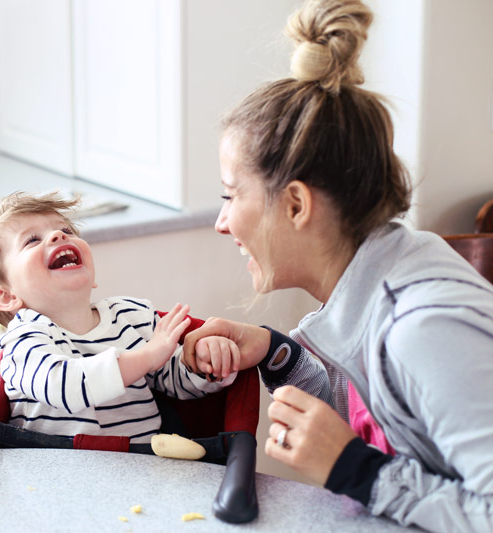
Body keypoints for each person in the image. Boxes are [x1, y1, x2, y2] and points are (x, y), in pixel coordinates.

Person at [180, 0, 493, 531]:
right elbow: (390, 416)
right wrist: (278, 354)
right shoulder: (386, 275)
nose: (223, 222)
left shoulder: (424, 328)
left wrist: (355, 470)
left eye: (232, 196)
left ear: (297, 205)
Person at [0, 192, 237, 444]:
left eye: (65, 230)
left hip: (141, 474)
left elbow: (178, 383)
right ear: (7, 297)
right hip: (53, 481)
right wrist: (148, 356)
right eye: (32, 240)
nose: (56, 236)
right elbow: (65, 385)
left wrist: (205, 362)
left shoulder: (134, 317)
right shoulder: (22, 342)